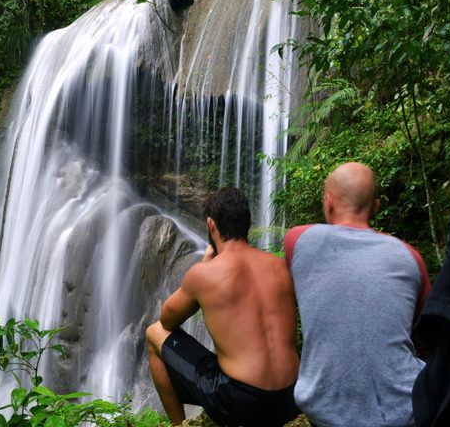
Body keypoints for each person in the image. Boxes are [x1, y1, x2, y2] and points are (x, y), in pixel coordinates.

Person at [284, 162, 431, 427]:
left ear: (328, 203)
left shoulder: (298, 240)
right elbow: (427, 337)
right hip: (403, 413)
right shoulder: (410, 258)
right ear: (376, 207)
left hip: (325, 412)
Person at [146, 186, 301, 427]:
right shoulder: (280, 266)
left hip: (240, 401)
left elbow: (166, 321)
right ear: (249, 223)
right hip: (291, 397)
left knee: (153, 333)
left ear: (211, 225)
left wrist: (205, 264)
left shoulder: (205, 274)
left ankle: (178, 425)